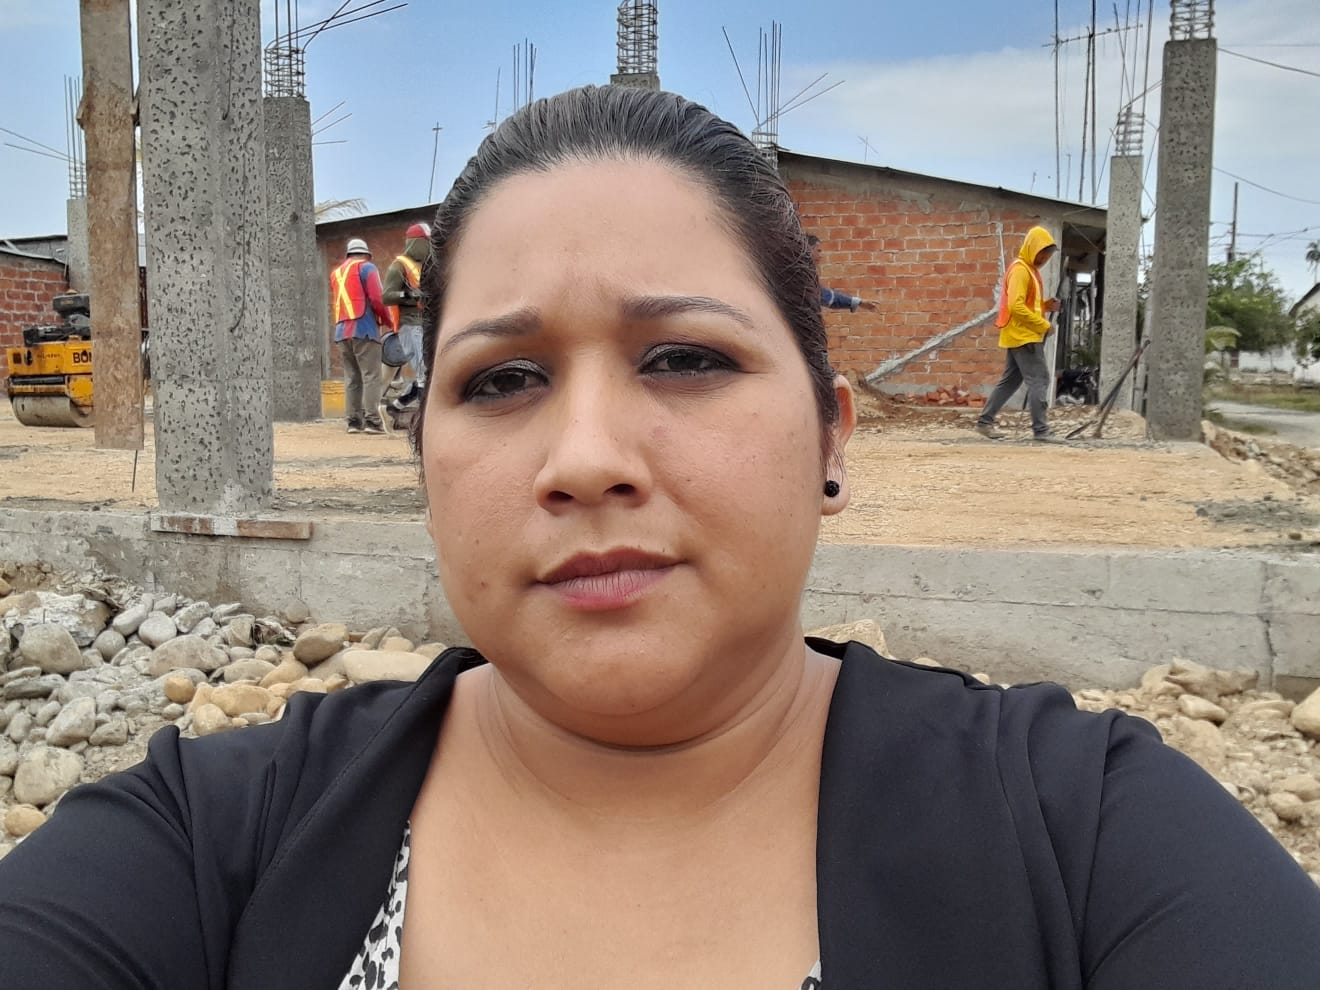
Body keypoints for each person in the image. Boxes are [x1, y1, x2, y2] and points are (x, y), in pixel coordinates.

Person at [1, 86, 1318, 989]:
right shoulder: (208, 845)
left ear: (831, 435)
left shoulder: (1088, 841)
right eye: (502, 379)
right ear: (424, 456)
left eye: (684, 357)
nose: (585, 458)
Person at [975, 226, 1064, 442]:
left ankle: (985, 422)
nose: (1044, 259)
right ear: (1033, 249)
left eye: (1048, 256)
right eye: (1042, 254)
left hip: (1020, 334)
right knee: (1040, 379)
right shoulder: (1021, 270)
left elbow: (1026, 304)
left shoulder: (1028, 270)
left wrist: (1045, 306)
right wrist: (1043, 325)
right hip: (1025, 336)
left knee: (1010, 381)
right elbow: (1016, 307)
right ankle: (1041, 430)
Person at [329, 237, 392, 434]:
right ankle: (373, 421)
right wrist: (390, 321)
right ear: (366, 255)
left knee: (352, 378)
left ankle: (353, 422)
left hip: (342, 332)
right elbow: (377, 299)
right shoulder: (367, 268)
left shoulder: (336, 273)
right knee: (371, 376)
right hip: (364, 329)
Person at [382, 222, 433, 416]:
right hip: (410, 326)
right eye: (426, 242)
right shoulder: (398, 267)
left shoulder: (423, 267)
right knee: (423, 374)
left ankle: (393, 408)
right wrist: (408, 295)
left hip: (424, 325)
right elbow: (387, 296)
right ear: (416, 243)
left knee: (425, 374)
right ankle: (424, 420)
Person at [808, 234, 879, 313]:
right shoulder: (801, 275)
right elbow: (826, 297)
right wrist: (858, 302)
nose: (820, 256)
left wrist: (858, 302)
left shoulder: (805, 273)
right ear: (809, 250)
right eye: (818, 251)